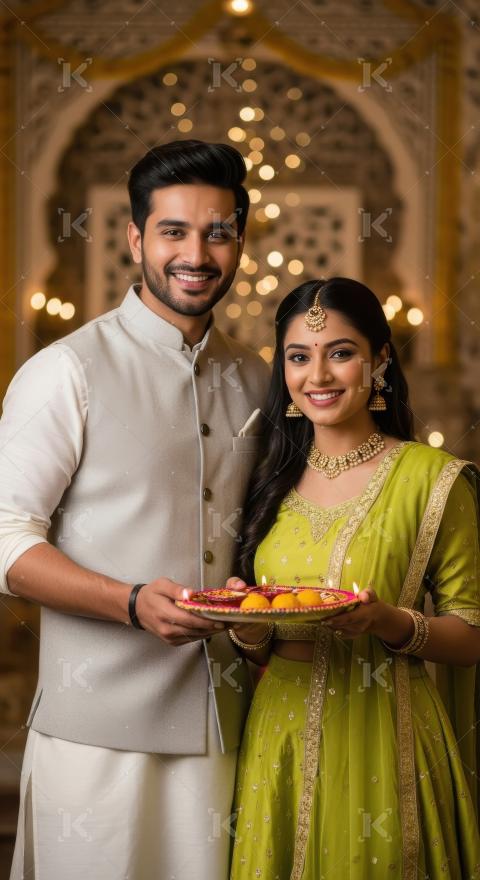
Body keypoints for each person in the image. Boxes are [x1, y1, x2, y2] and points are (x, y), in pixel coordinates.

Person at [0, 139, 270, 880]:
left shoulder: (259, 379)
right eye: (174, 231)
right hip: (97, 744)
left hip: (229, 732)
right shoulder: (64, 371)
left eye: (218, 232)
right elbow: (6, 542)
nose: (198, 253)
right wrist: (127, 601)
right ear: (135, 238)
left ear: (240, 240)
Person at [228, 278, 480, 880]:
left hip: (386, 728)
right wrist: (244, 626)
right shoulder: (265, 478)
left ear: (380, 360)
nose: (318, 374)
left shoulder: (435, 479)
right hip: (277, 735)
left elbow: (471, 635)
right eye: (298, 356)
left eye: (340, 352)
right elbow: (260, 636)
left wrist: (390, 621)